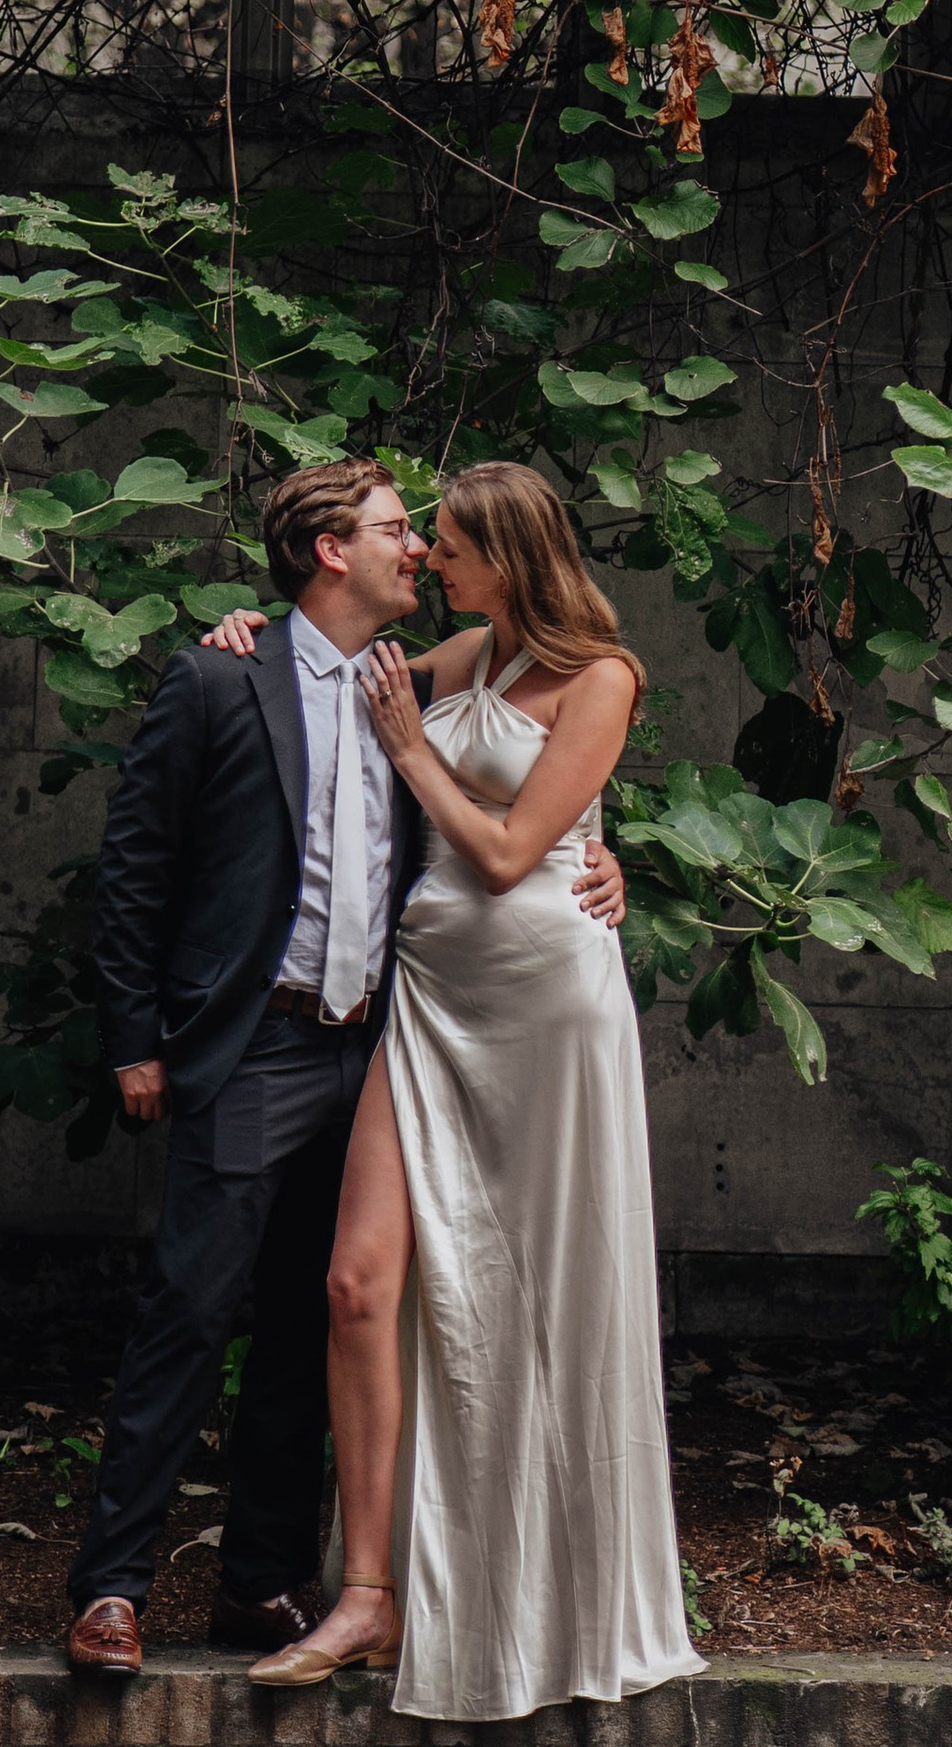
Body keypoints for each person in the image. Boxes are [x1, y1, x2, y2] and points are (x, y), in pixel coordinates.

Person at [60, 454, 628, 1679]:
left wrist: (601, 852)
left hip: (385, 1044)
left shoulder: (411, 681)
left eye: (427, 534)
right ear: (331, 550)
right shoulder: (223, 676)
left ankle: (259, 1583)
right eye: (394, 530)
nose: (418, 548)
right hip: (255, 1042)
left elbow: (525, 775)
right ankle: (111, 1589)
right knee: (189, 1311)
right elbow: (136, 873)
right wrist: (135, 1040)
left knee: (322, 1322)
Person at [195, 458, 702, 1722]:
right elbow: (319, 678)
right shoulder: (468, 653)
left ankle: (556, 1588)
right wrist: (243, 631)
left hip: (548, 1013)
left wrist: (425, 761)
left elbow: (510, 849)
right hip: (427, 1001)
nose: (425, 559)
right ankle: (367, 1592)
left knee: (546, 1293)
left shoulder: (604, 678)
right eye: (421, 542)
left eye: (451, 545)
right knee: (356, 1285)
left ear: (512, 555)